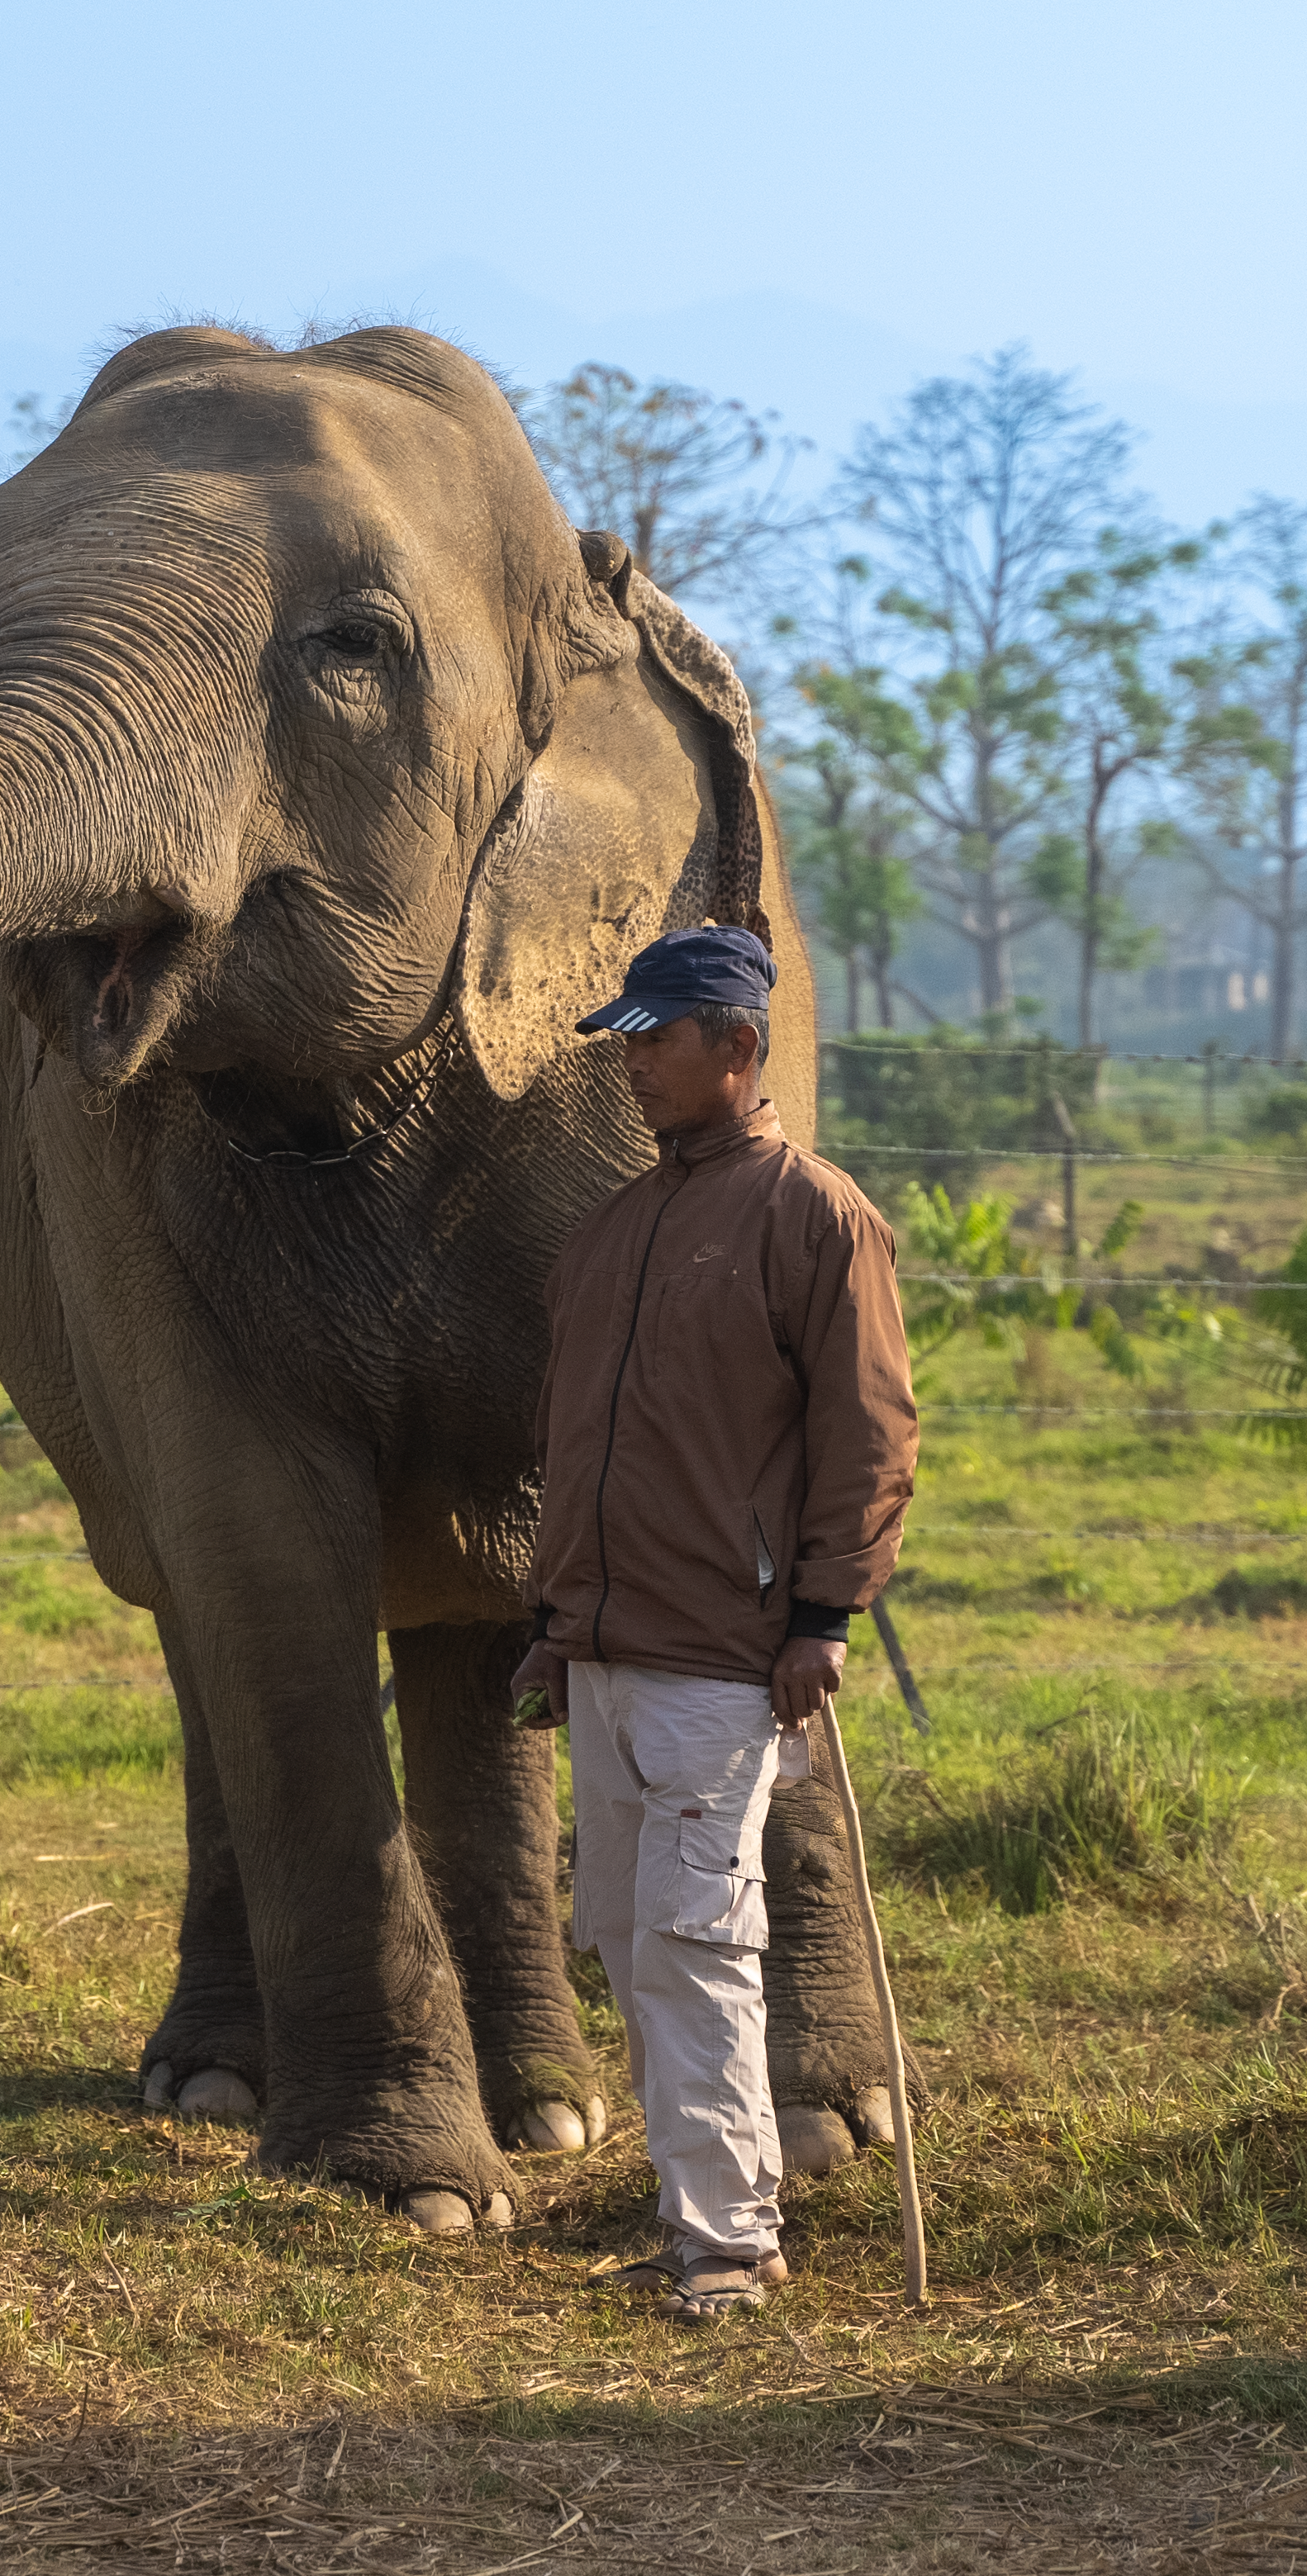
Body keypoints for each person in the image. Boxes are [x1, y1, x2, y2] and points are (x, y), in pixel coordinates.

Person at [508, 922, 917, 2326]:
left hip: (723, 1665)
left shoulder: (816, 1216)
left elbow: (871, 1436)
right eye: (625, 1039)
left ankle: (732, 2243)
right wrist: (560, 1627)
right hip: (609, 1656)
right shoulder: (618, 1230)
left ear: (737, 1049)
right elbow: (577, 1446)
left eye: (655, 1039)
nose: (630, 1065)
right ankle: (699, 2205)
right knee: (627, 1940)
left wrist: (824, 1613)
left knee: (695, 1945)